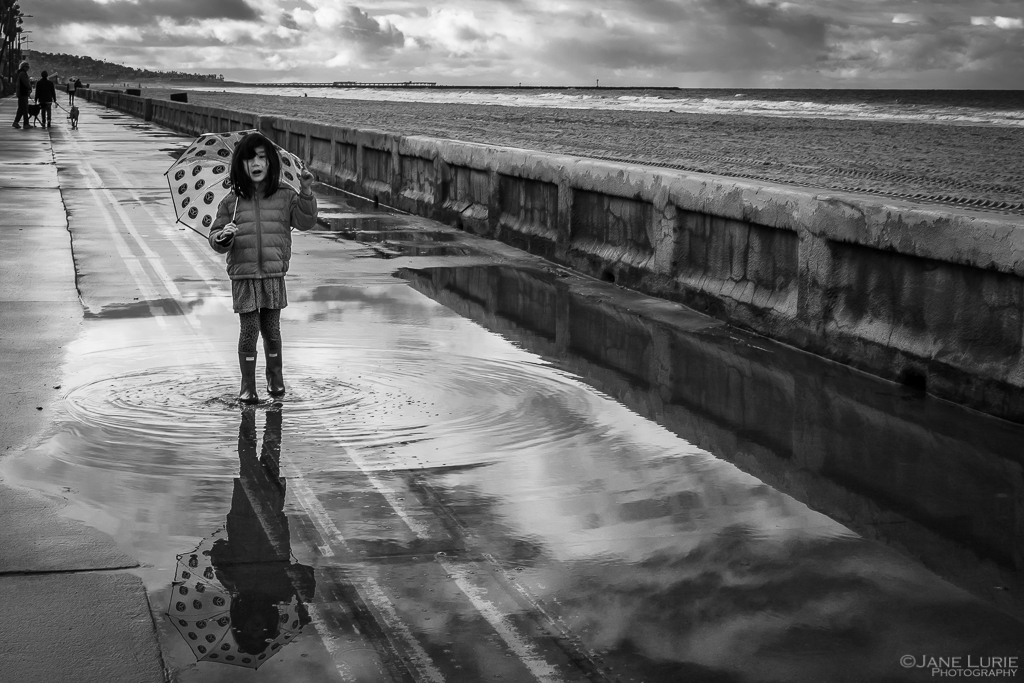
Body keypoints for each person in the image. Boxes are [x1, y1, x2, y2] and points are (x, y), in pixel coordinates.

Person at [208, 133, 317, 403]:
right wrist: (224, 236)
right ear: (240, 165)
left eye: (261, 158)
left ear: (270, 162)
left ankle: (275, 378)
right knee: (249, 331)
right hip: (244, 277)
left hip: (273, 274)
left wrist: (305, 192)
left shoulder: (285, 195)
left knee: (272, 330)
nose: (256, 163)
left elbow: (305, 221)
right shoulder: (232, 201)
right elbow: (216, 238)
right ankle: (247, 385)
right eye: (249, 159)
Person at [12, 61, 31, 129]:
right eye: (26, 67)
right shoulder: (22, 73)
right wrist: (30, 87)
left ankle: (16, 122)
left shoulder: (21, 73)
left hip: (22, 93)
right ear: (23, 67)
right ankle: (26, 124)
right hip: (23, 93)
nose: (28, 68)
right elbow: (26, 82)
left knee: (21, 109)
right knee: (25, 109)